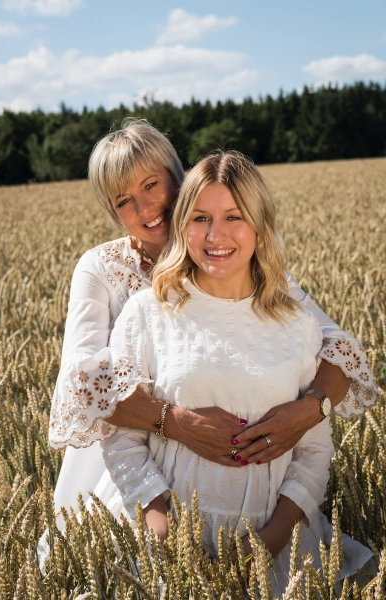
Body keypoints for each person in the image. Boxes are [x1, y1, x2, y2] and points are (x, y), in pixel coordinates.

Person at [48, 119, 379, 523]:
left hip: (248, 485)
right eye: (123, 201)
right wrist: (177, 424)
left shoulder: (232, 254)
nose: (145, 208)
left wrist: (310, 410)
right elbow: (82, 387)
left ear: (180, 177)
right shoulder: (101, 270)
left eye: (152, 185)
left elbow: (335, 348)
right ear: (112, 212)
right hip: (125, 468)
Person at [101, 151, 373, 594]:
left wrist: (275, 536)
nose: (215, 235)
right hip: (163, 549)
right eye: (200, 217)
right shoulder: (146, 312)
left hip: (274, 551)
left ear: (260, 224)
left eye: (234, 217)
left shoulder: (296, 323)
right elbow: (121, 435)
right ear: (182, 224)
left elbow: (313, 449)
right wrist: (162, 527)